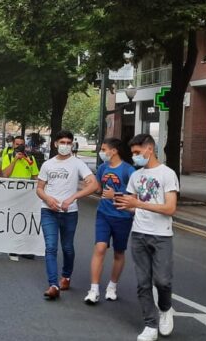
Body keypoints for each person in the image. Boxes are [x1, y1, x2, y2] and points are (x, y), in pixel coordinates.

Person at [114, 134, 179, 341]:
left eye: (137, 152)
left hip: (162, 235)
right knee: (143, 283)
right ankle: (150, 325)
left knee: (162, 281)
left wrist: (138, 204)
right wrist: (124, 205)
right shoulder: (135, 176)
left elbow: (170, 208)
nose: (135, 156)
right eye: (133, 153)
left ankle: (165, 309)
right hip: (139, 234)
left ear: (150, 149)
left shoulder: (167, 174)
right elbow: (132, 205)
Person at [36, 130, 98, 300]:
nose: (65, 145)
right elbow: (39, 188)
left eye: (68, 143)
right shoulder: (48, 164)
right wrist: (48, 199)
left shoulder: (77, 164)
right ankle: (53, 285)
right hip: (48, 211)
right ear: (55, 144)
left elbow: (94, 185)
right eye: (62, 142)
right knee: (51, 247)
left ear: (72, 145)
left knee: (67, 247)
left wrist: (73, 197)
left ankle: (66, 276)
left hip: (69, 213)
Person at [85, 138, 136, 305]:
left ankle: (112, 286)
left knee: (118, 253)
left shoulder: (128, 170)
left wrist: (115, 195)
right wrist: (89, 184)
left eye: (104, 149)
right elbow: (99, 189)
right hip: (103, 214)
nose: (101, 152)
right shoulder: (102, 168)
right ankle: (94, 290)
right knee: (100, 248)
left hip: (123, 217)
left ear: (114, 151)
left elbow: (135, 197)